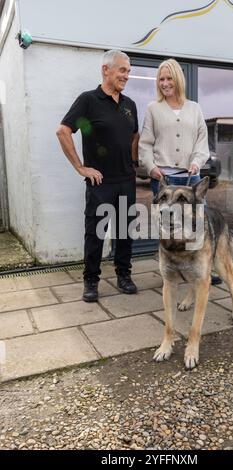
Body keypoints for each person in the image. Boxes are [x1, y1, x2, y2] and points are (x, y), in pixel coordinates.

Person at [56, 50, 139, 302]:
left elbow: (134, 136)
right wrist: (81, 168)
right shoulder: (88, 101)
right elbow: (63, 131)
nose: (127, 75)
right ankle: (91, 280)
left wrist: (134, 163)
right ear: (106, 70)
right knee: (95, 234)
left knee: (125, 231)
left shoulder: (129, 105)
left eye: (128, 71)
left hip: (126, 180)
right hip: (100, 182)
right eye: (122, 70)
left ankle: (124, 275)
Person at [139, 58, 222, 285]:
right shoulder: (153, 109)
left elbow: (201, 142)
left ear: (178, 80)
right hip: (163, 180)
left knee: (197, 228)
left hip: (190, 178)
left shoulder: (194, 108)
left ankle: (202, 269)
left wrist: (196, 161)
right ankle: (172, 270)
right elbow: (145, 143)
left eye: (169, 79)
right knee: (168, 227)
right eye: (161, 79)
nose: (165, 83)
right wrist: (152, 168)